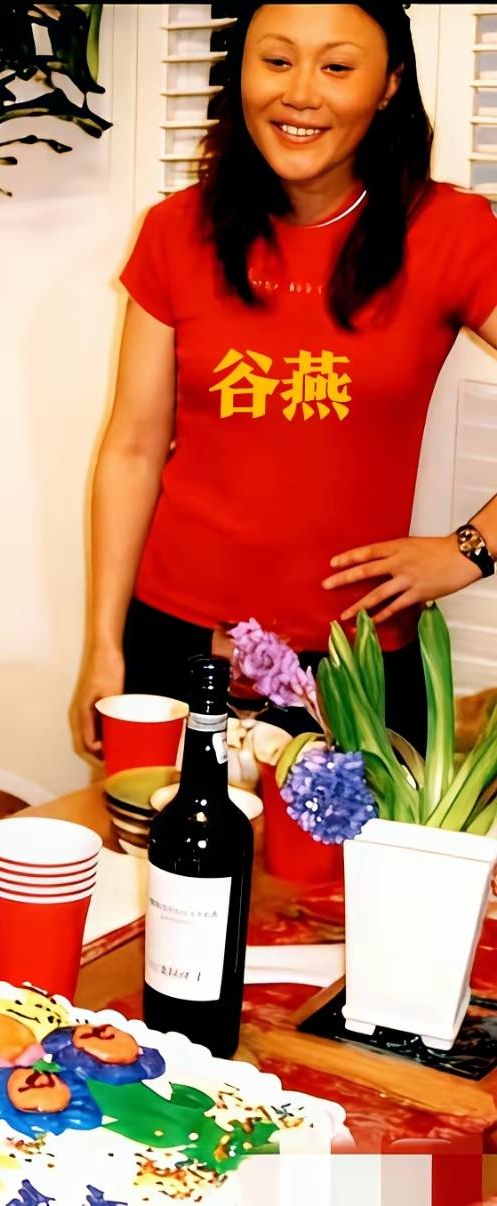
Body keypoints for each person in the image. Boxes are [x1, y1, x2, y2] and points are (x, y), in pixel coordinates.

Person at [73, 1, 497, 756]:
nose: (299, 93)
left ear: (389, 84)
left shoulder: (449, 232)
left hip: (353, 666)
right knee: (152, 835)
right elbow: (133, 447)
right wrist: (105, 644)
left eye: (337, 67)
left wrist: (472, 549)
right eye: (275, 60)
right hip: (176, 641)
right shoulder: (177, 230)